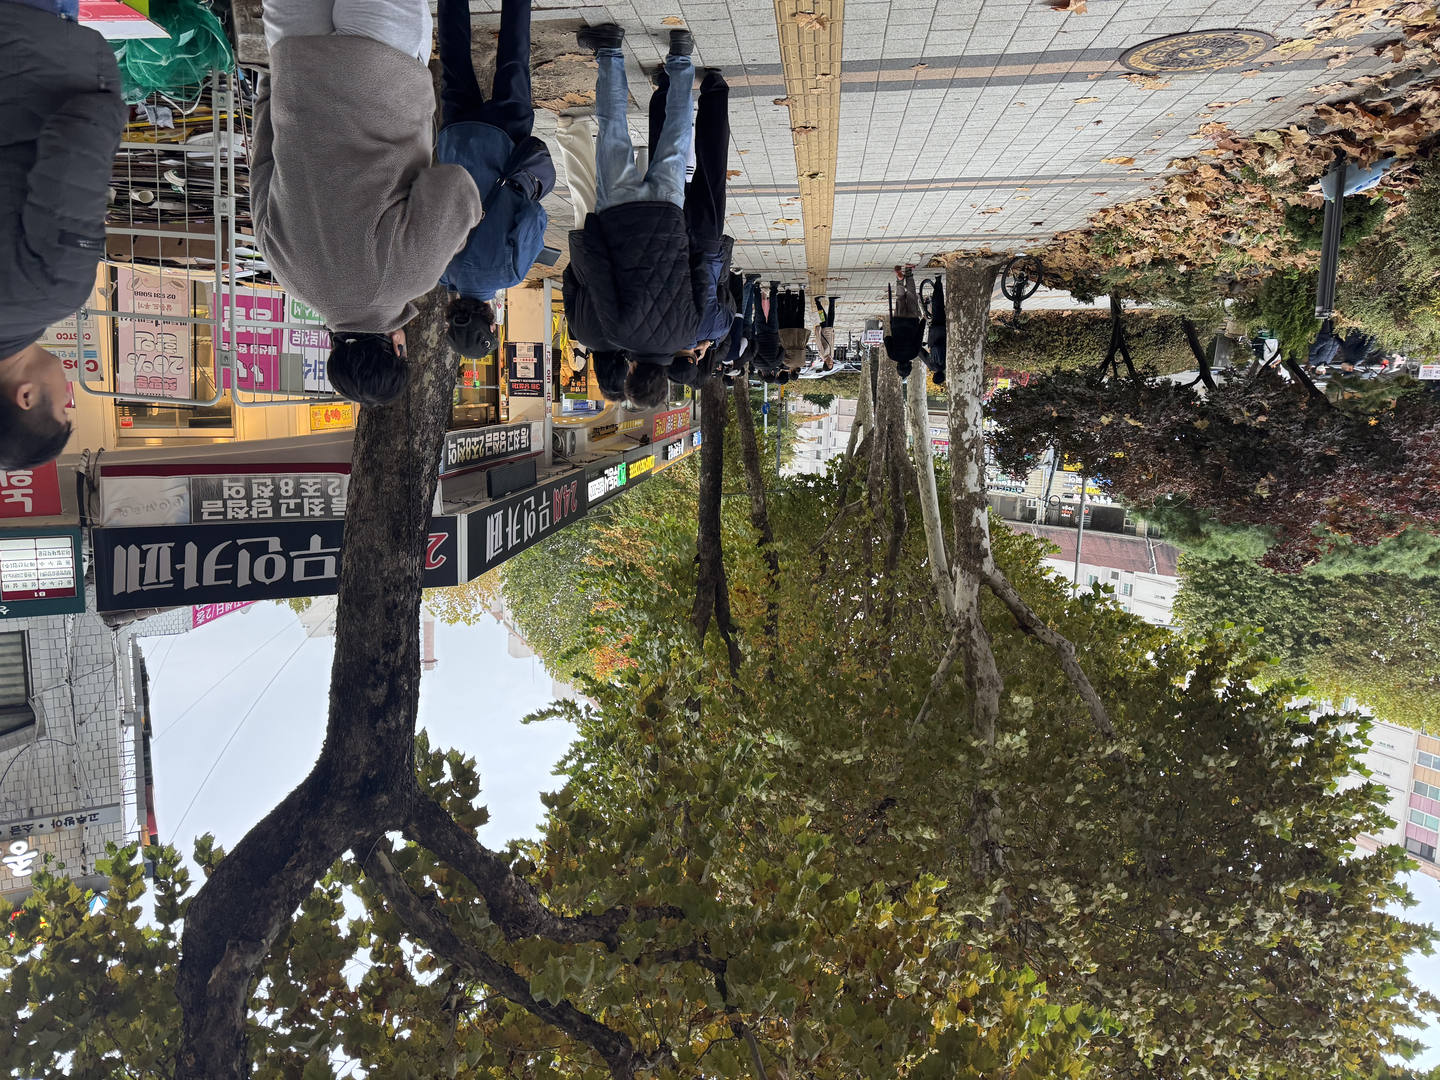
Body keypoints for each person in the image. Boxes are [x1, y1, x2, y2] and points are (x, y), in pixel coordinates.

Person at [252, 0, 484, 406]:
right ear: (332, 350)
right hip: (295, 58)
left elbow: (452, 185)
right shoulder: (283, 271)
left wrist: (463, 231)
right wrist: (275, 82)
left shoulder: (409, 277)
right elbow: (263, 164)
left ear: (397, 347)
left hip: (381, 65)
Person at [1, 0, 126, 467]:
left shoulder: (51, 291)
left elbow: (80, 136)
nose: (71, 392)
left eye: (65, 404)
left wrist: (112, 106)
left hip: (25, 47)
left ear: (27, 397)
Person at [563, 24, 704, 367]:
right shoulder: (619, 335)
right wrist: (586, 231)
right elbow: (598, 273)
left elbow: (700, 271)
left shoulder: (690, 331)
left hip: (669, 213)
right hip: (619, 216)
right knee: (613, 127)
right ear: (633, 373)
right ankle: (610, 50)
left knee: (676, 136)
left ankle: (682, 55)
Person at [436, 0, 554, 364]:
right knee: (454, 60)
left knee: (513, 58)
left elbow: (535, 216)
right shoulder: (437, 269)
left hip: (505, 142)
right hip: (454, 140)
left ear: (491, 320)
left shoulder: (511, 273)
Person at [648, 64, 736, 364]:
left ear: (696, 360)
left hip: (708, 246)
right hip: (669, 241)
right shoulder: (658, 333)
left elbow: (727, 305)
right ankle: (665, 87)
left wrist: (708, 341)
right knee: (664, 161)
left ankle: (714, 88)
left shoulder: (715, 330)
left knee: (713, 165)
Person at [884, 265, 924, 377]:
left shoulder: (914, 354)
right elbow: (887, 339)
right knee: (900, 298)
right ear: (899, 367)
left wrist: (923, 322)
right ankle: (900, 280)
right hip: (898, 322)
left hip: (912, 322)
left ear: (909, 366)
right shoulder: (893, 355)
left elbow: (919, 337)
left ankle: (909, 272)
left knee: (912, 296)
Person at [919, 275, 946, 385]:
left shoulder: (948, 364)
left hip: (945, 332)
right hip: (934, 333)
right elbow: (920, 352)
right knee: (937, 308)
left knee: (940, 308)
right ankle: (938, 282)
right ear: (935, 375)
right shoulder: (931, 365)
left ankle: (939, 284)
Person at [813, 295, 836, 370]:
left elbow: (818, 342)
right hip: (830, 331)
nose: (830, 362)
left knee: (822, 315)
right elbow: (832, 344)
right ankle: (832, 301)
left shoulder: (822, 354)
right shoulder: (831, 355)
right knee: (831, 316)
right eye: (831, 364)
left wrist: (818, 331)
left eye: (829, 364)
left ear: (825, 363)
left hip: (824, 331)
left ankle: (817, 301)